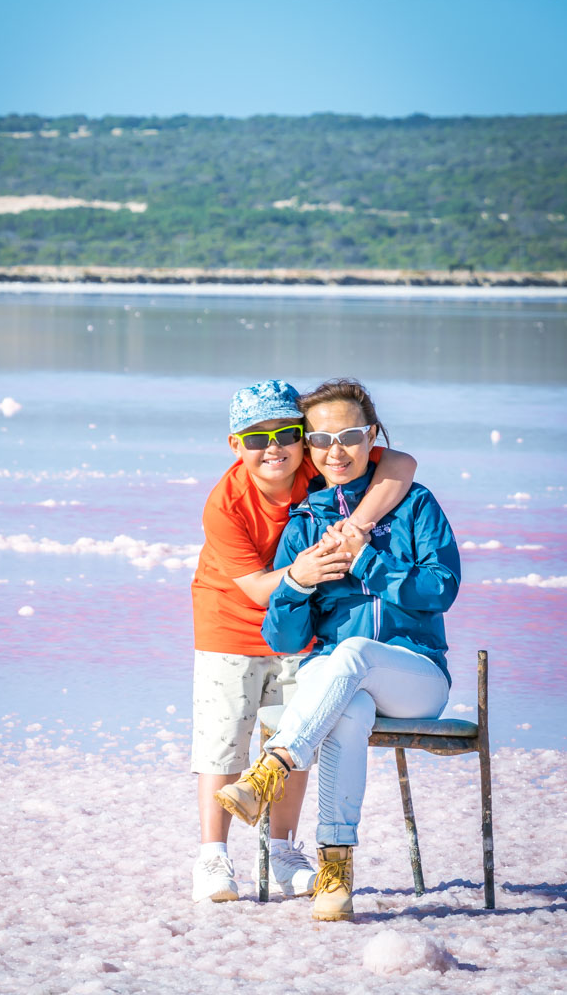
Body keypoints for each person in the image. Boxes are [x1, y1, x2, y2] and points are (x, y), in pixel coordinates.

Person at [214, 378, 460, 920]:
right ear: (309, 446)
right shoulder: (305, 523)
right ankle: (335, 875)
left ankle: (273, 766)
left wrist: (368, 561)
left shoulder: (415, 506)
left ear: (372, 436)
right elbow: (282, 639)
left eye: (350, 435)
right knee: (347, 707)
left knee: (351, 654)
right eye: (321, 440)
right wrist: (296, 583)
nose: (336, 450)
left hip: (415, 676)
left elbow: (441, 588)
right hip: (340, 689)